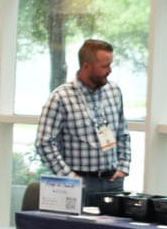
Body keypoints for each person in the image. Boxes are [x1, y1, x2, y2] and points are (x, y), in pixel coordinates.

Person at [35, 38, 130, 204]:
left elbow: (123, 132)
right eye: (104, 66)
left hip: (113, 182)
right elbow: (44, 142)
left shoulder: (114, 91)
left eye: (110, 65)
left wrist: (123, 166)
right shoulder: (61, 97)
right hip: (79, 184)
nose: (110, 70)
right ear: (86, 66)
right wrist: (69, 177)